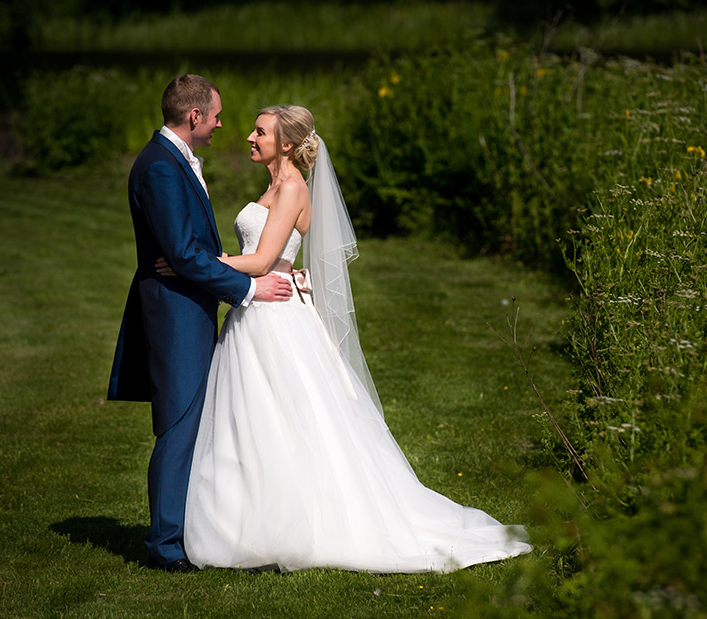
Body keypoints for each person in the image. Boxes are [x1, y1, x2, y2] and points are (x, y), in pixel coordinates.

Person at [176, 105, 532, 573]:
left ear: (285, 143)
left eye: (259, 132)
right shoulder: (272, 187)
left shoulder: (292, 187)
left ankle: (292, 523)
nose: (249, 137)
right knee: (251, 417)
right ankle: (246, 518)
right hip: (253, 314)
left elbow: (262, 262)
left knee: (283, 418)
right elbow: (274, 255)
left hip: (274, 317)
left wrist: (203, 261)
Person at [107, 75, 293, 573]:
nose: (219, 125)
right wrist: (251, 288)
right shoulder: (162, 168)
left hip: (187, 304)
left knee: (195, 424)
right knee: (180, 425)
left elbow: (190, 252)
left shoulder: (169, 161)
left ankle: (193, 530)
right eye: (215, 116)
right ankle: (167, 546)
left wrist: (203, 259)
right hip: (176, 313)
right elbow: (185, 255)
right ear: (194, 117)